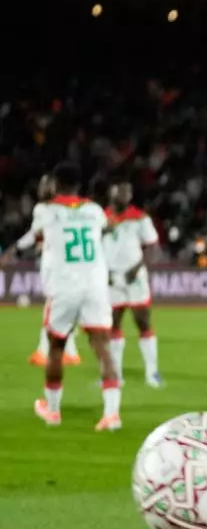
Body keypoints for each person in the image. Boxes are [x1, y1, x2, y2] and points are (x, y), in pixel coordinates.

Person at [27, 163, 122, 430]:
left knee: (56, 348)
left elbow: (38, 235)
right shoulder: (94, 210)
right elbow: (110, 226)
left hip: (65, 287)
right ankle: (111, 415)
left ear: (56, 184)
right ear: (79, 185)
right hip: (95, 286)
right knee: (103, 347)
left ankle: (53, 412)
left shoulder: (46, 210)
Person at [17, 175, 82, 368]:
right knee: (63, 307)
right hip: (65, 263)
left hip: (56, 264)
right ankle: (70, 352)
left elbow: (34, 234)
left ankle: (43, 351)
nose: (43, 187)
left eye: (48, 184)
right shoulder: (64, 209)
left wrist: (17, 248)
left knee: (53, 306)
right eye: (42, 184)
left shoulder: (45, 209)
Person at [104, 181, 164, 388]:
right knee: (113, 324)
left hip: (134, 277)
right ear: (111, 195)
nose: (124, 197)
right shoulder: (101, 218)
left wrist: (136, 268)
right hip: (111, 278)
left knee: (143, 321)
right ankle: (116, 375)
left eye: (127, 194)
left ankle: (152, 372)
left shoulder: (139, 218)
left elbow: (152, 247)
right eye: (120, 193)